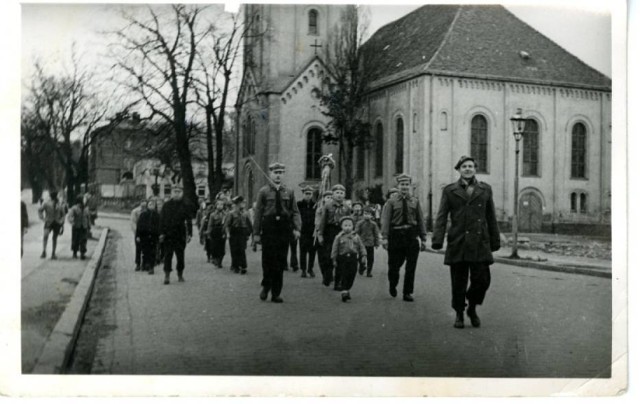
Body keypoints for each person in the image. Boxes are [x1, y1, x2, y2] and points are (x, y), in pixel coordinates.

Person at [432, 156, 500, 329]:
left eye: (471, 166)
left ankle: (472, 306)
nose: (468, 169)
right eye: (464, 166)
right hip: (459, 241)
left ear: (475, 169)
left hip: (480, 242)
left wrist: (495, 240)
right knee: (458, 282)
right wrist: (437, 239)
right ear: (459, 169)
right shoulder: (450, 190)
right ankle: (459, 314)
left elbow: (491, 216)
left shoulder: (485, 189)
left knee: (483, 280)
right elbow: (442, 215)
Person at [253, 162, 301, 303]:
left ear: (283, 174)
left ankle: (276, 293)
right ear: (270, 174)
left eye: (281, 172)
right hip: (269, 228)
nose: (278, 175)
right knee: (268, 260)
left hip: (283, 229)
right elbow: (258, 214)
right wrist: (256, 233)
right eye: (275, 172)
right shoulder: (264, 192)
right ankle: (266, 285)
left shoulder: (289, 192)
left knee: (280, 261)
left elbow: (295, 212)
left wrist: (297, 229)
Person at [380, 174, 428, 302]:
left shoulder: (415, 201)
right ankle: (392, 283)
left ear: (410, 186)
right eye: (402, 185)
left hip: (411, 235)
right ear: (398, 186)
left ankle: (407, 292)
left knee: (411, 266)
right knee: (394, 266)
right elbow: (386, 221)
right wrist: (384, 237)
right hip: (396, 236)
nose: (405, 187)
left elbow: (420, 220)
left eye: (407, 185)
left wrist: (423, 238)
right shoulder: (391, 202)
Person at [317, 184, 352, 289]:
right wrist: (320, 234)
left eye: (341, 193)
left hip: (341, 232)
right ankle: (327, 276)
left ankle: (338, 282)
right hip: (329, 231)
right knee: (328, 256)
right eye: (337, 193)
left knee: (341, 257)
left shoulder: (346, 207)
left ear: (344, 195)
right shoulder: (327, 206)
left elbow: (349, 221)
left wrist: (350, 234)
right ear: (333, 194)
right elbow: (322, 221)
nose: (339, 195)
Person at [159, 185, 192, 284]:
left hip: (180, 235)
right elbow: (161, 220)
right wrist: (161, 233)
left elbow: (189, 220)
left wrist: (190, 234)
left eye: (179, 192)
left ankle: (180, 274)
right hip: (168, 235)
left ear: (181, 193)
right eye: (175, 191)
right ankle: (167, 276)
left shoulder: (185, 205)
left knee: (180, 256)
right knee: (168, 256)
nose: (177, 193)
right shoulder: (166, 205)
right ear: (172, 193)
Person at [331, 216, 366, 302]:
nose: (347, 227)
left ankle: (347, 288)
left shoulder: (356, 236)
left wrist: (364, 255)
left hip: (353, 258)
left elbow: (361, 246)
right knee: (344, 274)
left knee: (352, 274)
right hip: (342, 258)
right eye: (345, 225)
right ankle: (344, 292)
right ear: (341, 227)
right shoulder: (338, 237)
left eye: (350, 225)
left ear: (353, 226)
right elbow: (334, 249)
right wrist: (334, 259)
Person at [225, 196, 252, 274]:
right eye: (241, 203)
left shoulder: (246, 213)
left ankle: (243, 266)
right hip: (234, 232)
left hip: (242, 232)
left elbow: (249, 224)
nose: (243, 205)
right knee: (234, 249)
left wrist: (248, 234)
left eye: (244, 203)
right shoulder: (231, 213)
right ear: (237, 204)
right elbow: (227, 224)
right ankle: (235, 265)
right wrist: (228, 233)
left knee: (242, 249)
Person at [38, 190, 66, 260]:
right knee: (45, 235)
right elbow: (40, 210)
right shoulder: (46, 202)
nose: (53, 197)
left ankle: (53, 253)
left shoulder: (60, 203)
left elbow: (63, 213)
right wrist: (42, 218)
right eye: (52, 196)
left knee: (55, 238)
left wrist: (62, 221)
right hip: (48, 221)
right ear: (50, 196)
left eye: (54, 195)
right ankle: (44, 251)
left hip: (57, 222)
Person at [136, 199, 161, 274]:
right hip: (144, 236)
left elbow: (160, 226)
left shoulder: (157, 216)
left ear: (155, 206)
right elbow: (139, 226)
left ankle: (151, 267)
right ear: (147, 205)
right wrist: (138, 236)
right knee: (145, 251)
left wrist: (159, 234)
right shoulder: (143, 214)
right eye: (150, 204)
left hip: (154, 236)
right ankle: (145, 264)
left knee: (153, 252)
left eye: (153, 205)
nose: (151, 206)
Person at [297, 185, 317, 278]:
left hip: (312, 232)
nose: (308, 196)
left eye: (310, 194)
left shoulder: (315, 205)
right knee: (303, 251)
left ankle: (310, 269)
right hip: (303, 231)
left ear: (312, 194)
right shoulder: (299, 205)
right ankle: (303, 270)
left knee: (312, 252)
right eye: (306, 194)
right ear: (303, 194)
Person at [355, 207, 380, 277]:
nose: (367, 215)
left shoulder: (373, 224)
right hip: (361, 243)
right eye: (365, 214)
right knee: (361, 257)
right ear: (363, 214)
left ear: (372, 216)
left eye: (369, 214)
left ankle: (369, 271)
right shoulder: (359, 223)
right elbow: (356, 232)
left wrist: (377, 243)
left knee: (370, 258)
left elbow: (376, 234)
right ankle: (361, 267)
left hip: (370, 243)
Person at [67, 195, 91, 259]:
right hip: (76, 226)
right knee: (75, 240)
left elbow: (88, 217)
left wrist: (89, 225)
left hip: (84, 226)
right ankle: (74, 253)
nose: (84, 201)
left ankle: (82, 253)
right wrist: (72, 222)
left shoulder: (86, 208)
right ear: (79, 201)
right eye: (82, 200)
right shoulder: (74, 208)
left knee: (83, 240)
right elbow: (69, 217)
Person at [206, 198, 227, 268]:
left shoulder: (226, 214)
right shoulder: (212, 215)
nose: (220, 206)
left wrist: (227, 233)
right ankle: (215, 259)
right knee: (215, 247)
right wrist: (209, 233)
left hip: (222, 231)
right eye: (219, 204)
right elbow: (210, 224)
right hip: (215, 231)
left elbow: (227, 224)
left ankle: (220, 262)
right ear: (216, 205)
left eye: (222, 204)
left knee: (222, 248)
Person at [130, 199, 147, 271]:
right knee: (138, 249)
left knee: (146, 249)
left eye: (145, 204)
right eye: (142, 204)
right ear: (140, 203)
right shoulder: (135, 211)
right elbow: (133, 223)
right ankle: (138, 264)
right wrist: (137, 234)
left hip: (146, 233)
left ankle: (144, 264)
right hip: (139, 233)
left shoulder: (147, 211)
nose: (143, 206)